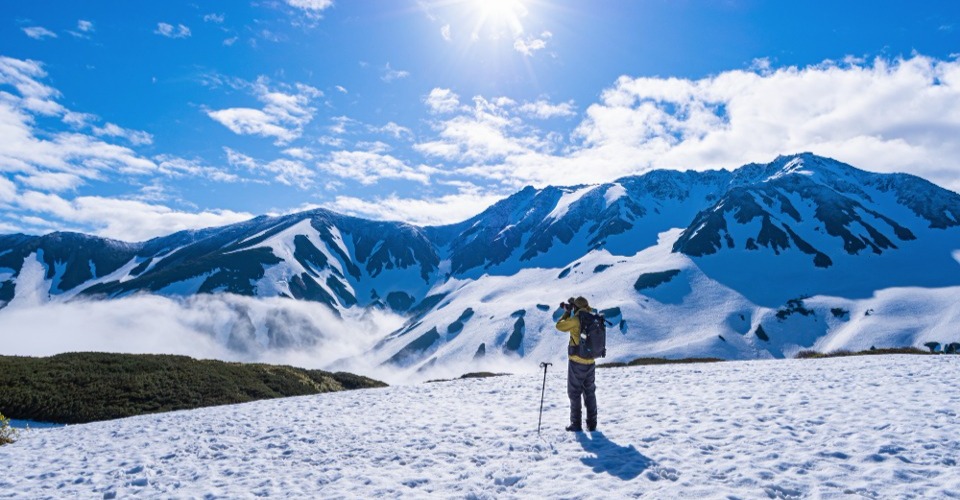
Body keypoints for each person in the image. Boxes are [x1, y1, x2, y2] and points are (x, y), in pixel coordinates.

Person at [555, 296, 597, 432]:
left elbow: (559, 325)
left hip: (577, 361)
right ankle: (592, 423)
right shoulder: (592, 316)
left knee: (574, 392)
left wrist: (567, 312)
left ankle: (576, 424)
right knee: (590, 392)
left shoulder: (576, 320)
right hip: (590, 361)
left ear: (577, 308)